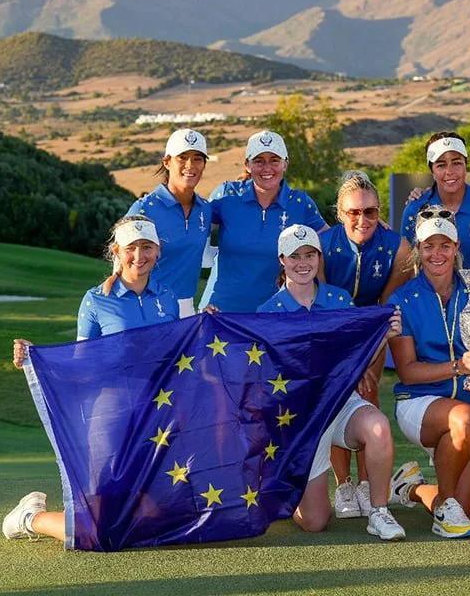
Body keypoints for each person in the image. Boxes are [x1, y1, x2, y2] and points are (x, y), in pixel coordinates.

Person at [2, 216, 179, 543]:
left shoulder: (167, 298)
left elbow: (179, 352)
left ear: (158, 252)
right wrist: (35, 360)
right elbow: (82, 364)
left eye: (147, 247)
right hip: (109, 413)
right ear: (116, 251)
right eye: (131, 248)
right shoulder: (97, 300)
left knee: (155, 520)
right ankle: (29, 518)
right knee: (98, 529)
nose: (139, 256)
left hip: (154, 413)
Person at [258, 224, 407, 541]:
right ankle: (285, 490)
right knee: (315, 521)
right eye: (295, 256)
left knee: (377, 426)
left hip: (340, 403)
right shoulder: (268, 311)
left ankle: (379, 511)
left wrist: (384, 335)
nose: (303, 263)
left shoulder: (338, 299)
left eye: (309, 255)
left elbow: (358, 355)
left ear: (319, 257)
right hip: (300, 419)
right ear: (282, 259)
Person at [386, 215, 470, 539]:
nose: (437, 254)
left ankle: (413, 488)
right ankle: (445, 507)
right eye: (429, 246)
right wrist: (459, 367)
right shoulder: (402, 300)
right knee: (463, 418)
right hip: (419, 402)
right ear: (418, 250)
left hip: (467, 405)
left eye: (445, 246)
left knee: (466, 505)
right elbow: (407, 370)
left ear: (456, 248)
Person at [318, 170, 412, 519]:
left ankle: (365, 483)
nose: (362, 219)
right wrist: (346, 364)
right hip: (335, 332)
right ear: (340, 214)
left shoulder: (397, 246)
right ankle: (342, 484)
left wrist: (366, 358)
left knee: (368, 395)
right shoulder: (323, 246)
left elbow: (385, 310)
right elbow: (325, 305)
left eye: (370, 211)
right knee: (336, 399)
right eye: (354, 212)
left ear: (379, 211)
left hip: (372, 329)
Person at [203, 130, 326, 312]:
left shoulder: (300, 204)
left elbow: (334, 243)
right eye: (259, 161)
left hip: (278, 313)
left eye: (274, 160)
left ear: (285, 164)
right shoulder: (227, 195)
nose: (267, 168)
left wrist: (370, 225)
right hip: (222, 311)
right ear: (247, 165)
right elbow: (191, 227)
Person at [399, 131, 470, 293]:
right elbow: (407, 271)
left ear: (466, 165)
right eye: (441, 165)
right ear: (432, 171)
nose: (450, 171)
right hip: (429, 304)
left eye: (456, 163)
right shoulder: (415, 210)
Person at [126, 128, 212, 315]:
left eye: (198, 158)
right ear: (167, 162)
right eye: (182, 157)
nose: (190, 165)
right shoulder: (144, 209)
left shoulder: (205, 209)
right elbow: (122, 266)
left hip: (186, 308)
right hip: (147, 308)